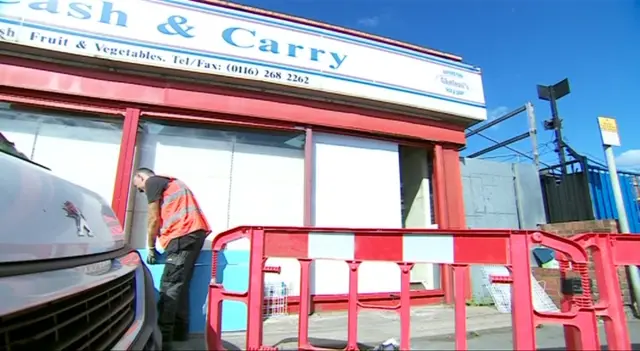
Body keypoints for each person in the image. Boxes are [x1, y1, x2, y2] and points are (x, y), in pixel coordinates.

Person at [132, 168, 211, 349]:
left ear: (141, 177)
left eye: (139, 188)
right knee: (180, 287)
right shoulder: (172, 183)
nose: (141, 191)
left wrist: (151, 247)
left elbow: (153, 218)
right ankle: (179, 334)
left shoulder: (153, 182)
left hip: (181, 235)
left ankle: (162, 340)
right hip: (194, 234)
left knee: (169, 287)